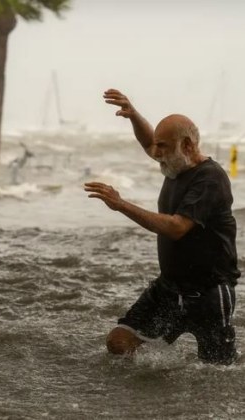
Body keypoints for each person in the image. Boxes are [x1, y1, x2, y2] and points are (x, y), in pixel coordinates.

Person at [84, 89, 241, 364]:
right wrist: (133, 115)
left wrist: (121, 204)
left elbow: (177, 227)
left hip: (209, 293)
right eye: (157, 147)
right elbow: (149, 143)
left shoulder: (210, 178)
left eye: (163, 147)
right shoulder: (174, 164)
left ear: (188, 146)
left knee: (217, 371)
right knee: (119, 343)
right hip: (169, 288)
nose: (156, 154)